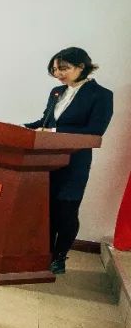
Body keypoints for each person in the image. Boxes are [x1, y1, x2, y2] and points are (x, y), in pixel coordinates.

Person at [23, 47, 113, 274]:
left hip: (75, 162)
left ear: (81, 66)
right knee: (47, 208)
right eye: (54, 70)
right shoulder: (56, 92)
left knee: (66, 210)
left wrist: (52, 132)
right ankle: (44, 253)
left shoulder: (101, 95)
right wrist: (22, 129)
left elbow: (95, 131)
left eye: (63, 68)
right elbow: (45, 121)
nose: (58, 74)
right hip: (47, 160)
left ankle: (59, 256)